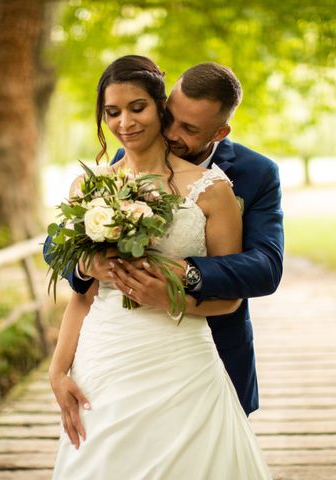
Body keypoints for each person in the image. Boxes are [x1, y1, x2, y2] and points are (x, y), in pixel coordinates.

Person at [48, 55, 272, 478]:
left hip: (182, 361)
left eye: (138, 108)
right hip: (105, 358)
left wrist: (174, 296)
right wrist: (57, 371)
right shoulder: (91, 187)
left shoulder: (215, 189)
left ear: (157, 106)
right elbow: (82, 293)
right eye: (112, 112)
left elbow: (238, 291)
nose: (126, 122)